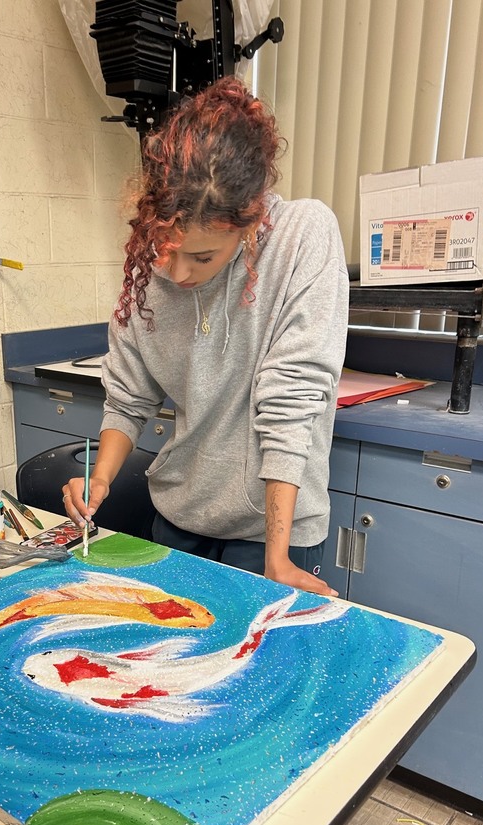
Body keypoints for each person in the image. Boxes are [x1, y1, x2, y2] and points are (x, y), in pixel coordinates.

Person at [63, 76, 348, 597]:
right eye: (167, 250)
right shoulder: (151, 265)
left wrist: (277, 560)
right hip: (180, 518)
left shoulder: (303, 237)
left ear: (249, 223)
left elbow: (291, 399)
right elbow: (128, 396)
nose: (177, 274)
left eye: (202, 257)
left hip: (271, 533)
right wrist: (99, 479)